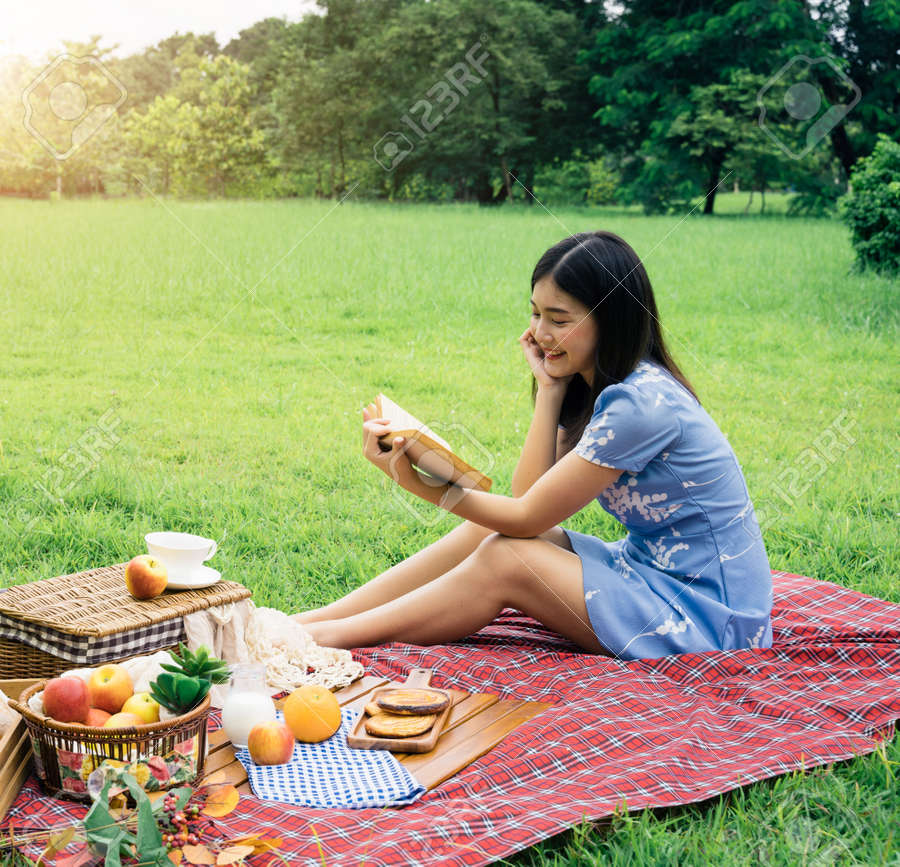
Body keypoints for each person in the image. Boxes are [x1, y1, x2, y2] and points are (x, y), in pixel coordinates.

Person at [292, 230, 774, 660]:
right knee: (488, 535)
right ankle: (313, 620)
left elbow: (526, 518)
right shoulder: (606, 389)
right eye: (536, 314)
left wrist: (421, 487)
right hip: (650, 575)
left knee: (508, 556)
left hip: (708, 619)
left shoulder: (640, 406)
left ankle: (322, 638)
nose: (541, 335)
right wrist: (549, 390)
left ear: (611, 320)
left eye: (560, 319)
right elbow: (526, 501)